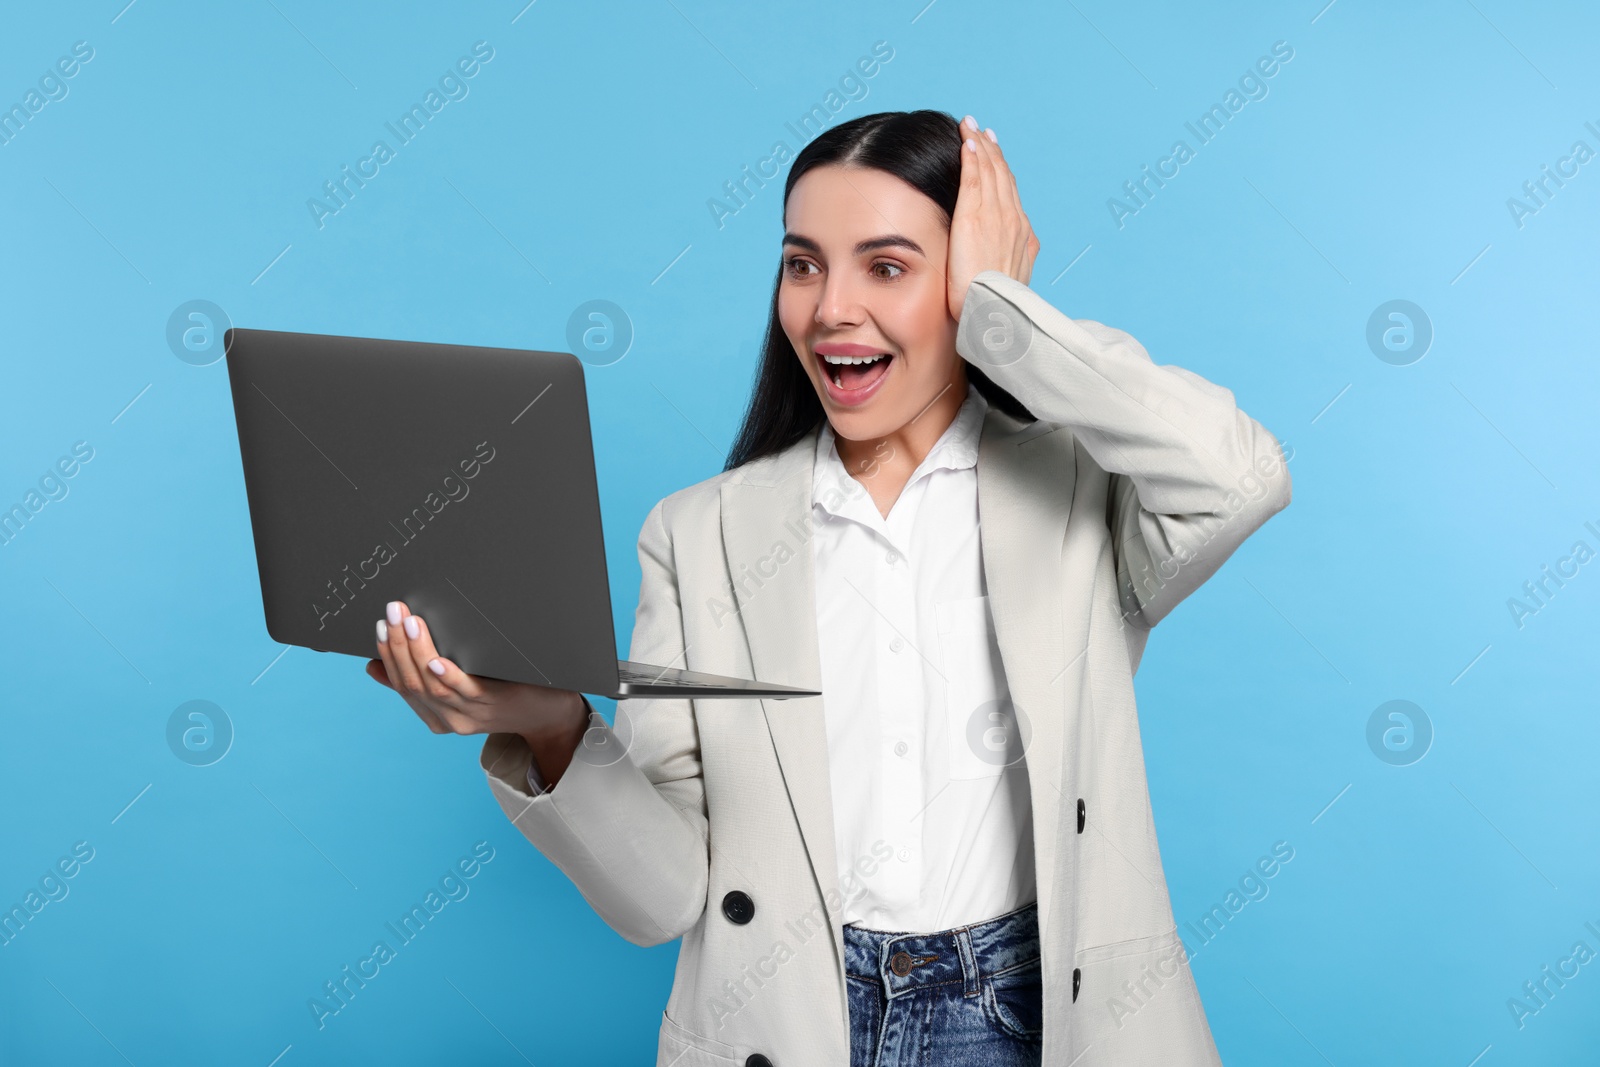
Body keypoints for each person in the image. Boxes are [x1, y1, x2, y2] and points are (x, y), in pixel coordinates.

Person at [366, 109, 1291, 1066]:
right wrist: (555, 728)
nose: (831, 308)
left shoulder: (1078, 494)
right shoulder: (698, 534)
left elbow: (1240, 476)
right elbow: (662, 900)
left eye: (887, 267)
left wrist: (1005, 312)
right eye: (803, 263)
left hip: (1039, 1014)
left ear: (963, 284)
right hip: (791, 1025)